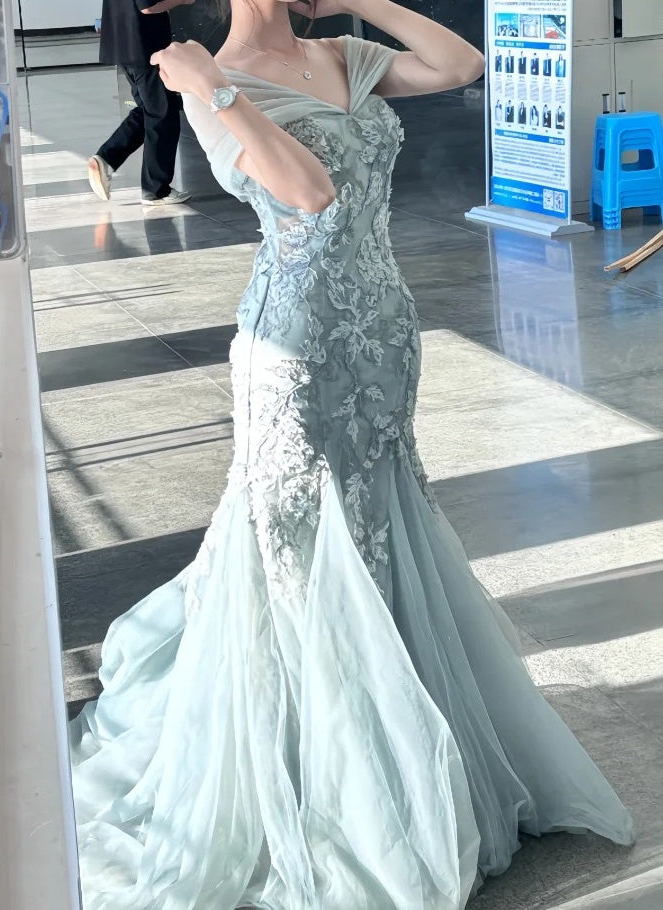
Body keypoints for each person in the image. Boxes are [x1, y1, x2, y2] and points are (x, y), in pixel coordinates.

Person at [69, 0, 636, 907]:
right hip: (293, 347)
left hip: (383, 330)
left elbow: (461, 64)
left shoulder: (341, 51)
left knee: (383, 518)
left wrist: (360, 0)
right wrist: (214, 88)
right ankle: (335, 770)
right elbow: (308, 192)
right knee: (301, 547)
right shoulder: (201, 73)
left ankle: (410, 728)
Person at [88, 0, 194, 206]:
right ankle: (156, 190)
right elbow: (148, 6)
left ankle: (106, 159)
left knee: (149, 110)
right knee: (162, 114)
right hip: (145, 46)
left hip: (124, 44)